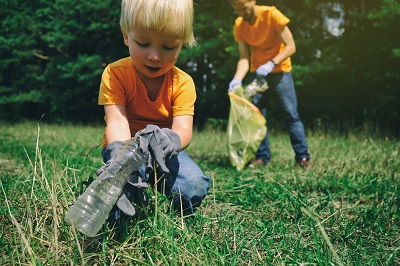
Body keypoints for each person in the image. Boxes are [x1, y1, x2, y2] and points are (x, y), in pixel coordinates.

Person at [97, 0, 210, 223]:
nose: (155, 56)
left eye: (168, 47)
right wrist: (122, 161)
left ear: (182, 44)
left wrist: (170, 140)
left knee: (194, 184)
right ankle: (120, 219)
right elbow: (117, 122)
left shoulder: (183, 83)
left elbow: (183, 129)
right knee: (116, 197)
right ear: (126, 36)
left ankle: (177, 221)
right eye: (143, 43)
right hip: (124, 148)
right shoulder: (115, 74)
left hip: (164, 153)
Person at [227, 0, 310, 168]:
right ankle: (262, 157)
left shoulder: (272, 15)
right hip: (258, 74)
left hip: (280, 72)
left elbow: (291, 46)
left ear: (252, 1)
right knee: (257, 115)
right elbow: (244, 58)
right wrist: (237, 79)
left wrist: (272, 63)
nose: (242, 13)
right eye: (237, 10)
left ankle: (302, 157)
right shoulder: (240, 25)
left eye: (244, 8)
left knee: (290, 114)